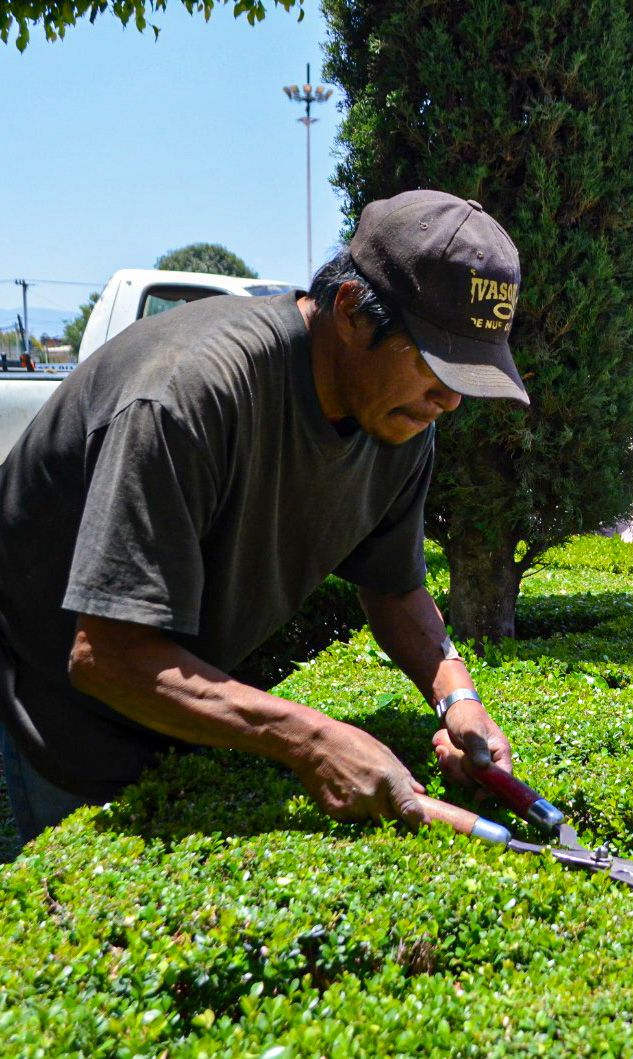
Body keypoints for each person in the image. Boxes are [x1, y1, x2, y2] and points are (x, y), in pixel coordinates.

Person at [0, 189, 528, 844]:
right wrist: (309, 737)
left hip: (179, 693)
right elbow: (106, 655)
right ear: (350, 313)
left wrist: (458, 699)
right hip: (57, 708)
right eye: (433, 364)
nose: (449, 399)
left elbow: (394, 587)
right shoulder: (190, 394)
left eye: (468, 376)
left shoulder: (401, 418)